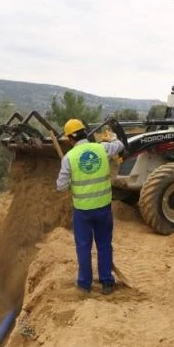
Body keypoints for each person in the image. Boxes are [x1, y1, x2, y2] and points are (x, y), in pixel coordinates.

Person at [56, 118, 125, 294]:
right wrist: (113, 136)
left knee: (84, 247)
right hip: (103, 208)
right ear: (85, 133)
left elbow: (61, 186)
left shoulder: (69, 158)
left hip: (82, 211)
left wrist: (73, 180)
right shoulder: (102, 148)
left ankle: (85, 284)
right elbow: (119, 145)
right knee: (104, 245)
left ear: (70, 139)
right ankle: (107, 282)